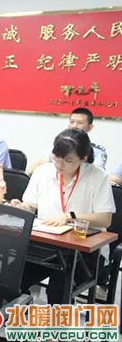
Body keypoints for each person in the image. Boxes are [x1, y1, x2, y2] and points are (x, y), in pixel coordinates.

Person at [11, 128, 114, 305]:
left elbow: (105, 219)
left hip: (84, 252)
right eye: (56, 157)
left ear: (83, 158)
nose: (59, 164)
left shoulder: (98, 177)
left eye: (68, 160)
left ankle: (58, 323)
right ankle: (20, 315)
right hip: (47, 245)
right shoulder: (43, 172)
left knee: (59, 290)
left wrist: (70, 216)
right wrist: (20, 207)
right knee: (13, 276)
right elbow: (30, 206)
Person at [29, 107, 107, 173]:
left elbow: (96, 173)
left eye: (80, 123)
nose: (74, 126)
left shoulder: (98, 152)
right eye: (72, 122)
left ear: (90, 127)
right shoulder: (58, 145)